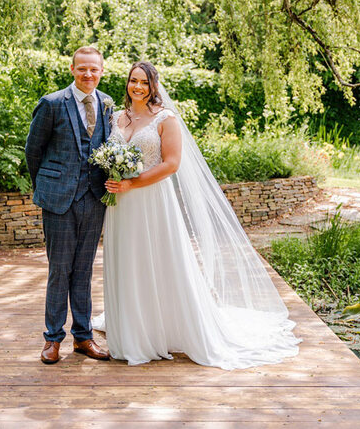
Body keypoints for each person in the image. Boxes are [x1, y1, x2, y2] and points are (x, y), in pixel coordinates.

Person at [92, 61, 301, 369]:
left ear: (154, 86)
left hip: (152, 200)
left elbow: (171, 164)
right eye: (133, 81)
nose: (138, 87)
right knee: (127, 259)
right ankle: (131, 328)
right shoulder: (115, 117)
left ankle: (162, 329)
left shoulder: (165, 118)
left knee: (159, 260)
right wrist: (115, 178)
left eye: (145, 82)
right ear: (127, 83)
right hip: (121, 204)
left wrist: (131, 183)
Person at [25, 46, 114, 364]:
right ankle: (52, 339)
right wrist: (48, 188)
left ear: (101, 71)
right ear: (72, 69)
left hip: (94, 198)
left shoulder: (107, 104)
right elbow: (33, 150)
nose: (88, 74)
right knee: (59, 270)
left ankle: (83, 337)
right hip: (58, 201)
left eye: (94, 69)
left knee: (84, 271)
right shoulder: (51, 103)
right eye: (83, 68)